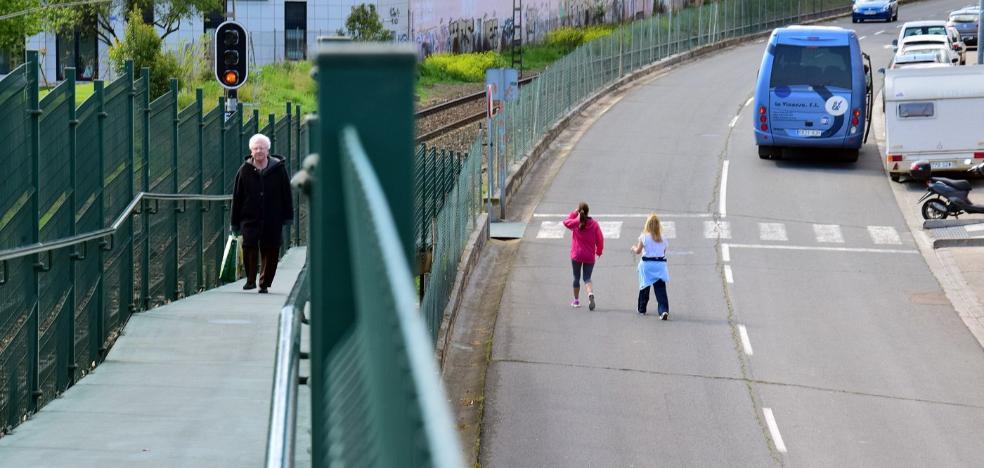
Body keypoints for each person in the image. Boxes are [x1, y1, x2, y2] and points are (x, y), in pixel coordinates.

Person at [231, 133, 294, 293]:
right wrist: (234, 222)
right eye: (256, 148)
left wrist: (288, 216)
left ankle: (264, 282)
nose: (259, 151)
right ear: (251, 151)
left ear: (268, 150)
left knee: (271, 248)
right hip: (249, 216)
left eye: (262, 148)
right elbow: (237, 197)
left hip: (273, 216)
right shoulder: (244, 170)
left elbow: (286, 192)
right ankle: (250, 280)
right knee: (249, 246)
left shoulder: (278, 169)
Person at [562, 202, 604, 310]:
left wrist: (574, 214)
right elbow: (600, 239)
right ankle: (590, 294)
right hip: (589, 256)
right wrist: (599, 251)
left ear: (579, 212)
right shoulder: (594, 224)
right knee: (587, 278)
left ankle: (576, 301)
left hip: (576, 255)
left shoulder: (575, 224)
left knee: (576, 277)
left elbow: (565, 222)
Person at [631, 213, 670, 320]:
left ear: (647, 225)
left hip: (647, 265)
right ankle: (663, 311)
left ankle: (642, 309)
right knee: (660, 289)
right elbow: (663, 251)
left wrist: (633, 248)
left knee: (644, 286)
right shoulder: (663, 238)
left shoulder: (644, 237)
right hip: (659, 266)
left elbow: (638, 251)